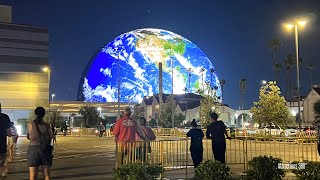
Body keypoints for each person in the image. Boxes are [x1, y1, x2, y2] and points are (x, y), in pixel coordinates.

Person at [27, 107, 53, 180]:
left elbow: (28, 137)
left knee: (33, 176)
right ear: (44, 114)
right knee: (46, 175)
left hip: (33, 150)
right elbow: (51, 137)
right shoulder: (48, 126)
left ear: (35, 114)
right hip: (45, 150)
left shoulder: (30, 125)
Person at [0, 103, 12, 178]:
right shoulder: (5, 117)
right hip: (2, 146)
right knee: (2, 163)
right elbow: (9, 133)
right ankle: (2, 175)